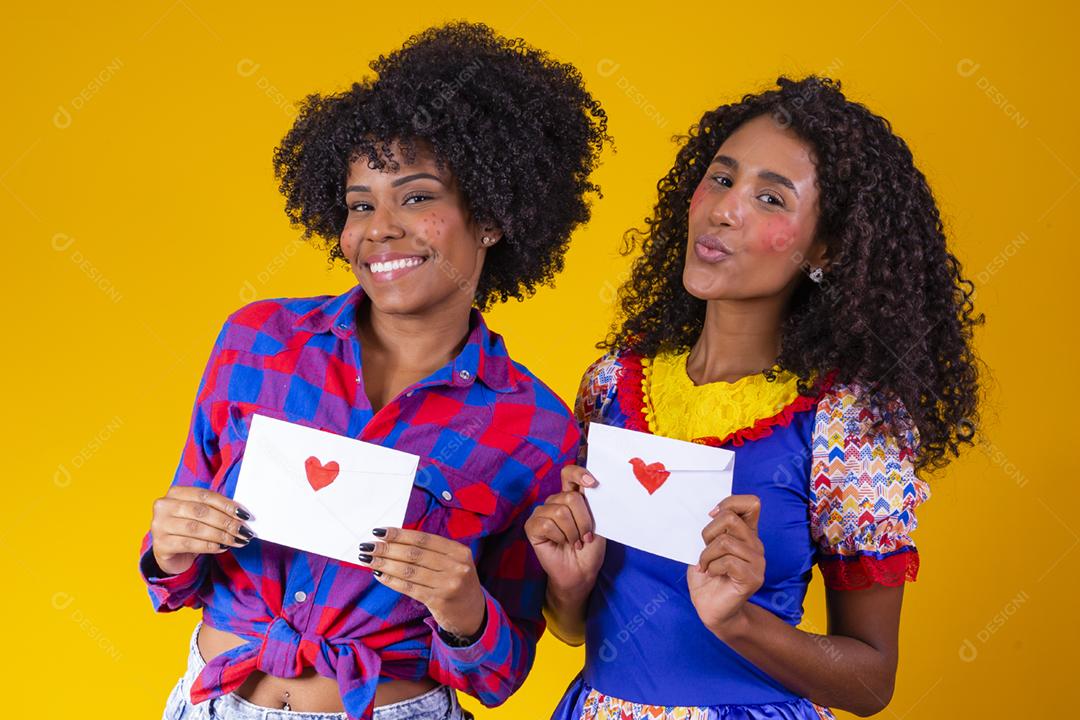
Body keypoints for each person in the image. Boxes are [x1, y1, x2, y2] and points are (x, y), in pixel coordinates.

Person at [139, 22, 608, 720]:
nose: (380, 228)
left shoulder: (533, 426)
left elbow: (501, 674)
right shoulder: (256, 342)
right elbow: (170, 576)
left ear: (492, 218)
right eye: (361, 204)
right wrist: (170, 549)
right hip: (213, 702)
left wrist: (464, 607)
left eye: (416, 197)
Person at [527, 76, 981, 719]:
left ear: (825, 248)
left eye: (770, 198)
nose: (723, 210)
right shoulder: (611, 386)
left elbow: (872, 683)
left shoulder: (848, 425)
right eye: (720, 178)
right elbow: (574, 631)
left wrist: (740, 622)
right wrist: (567, 583)